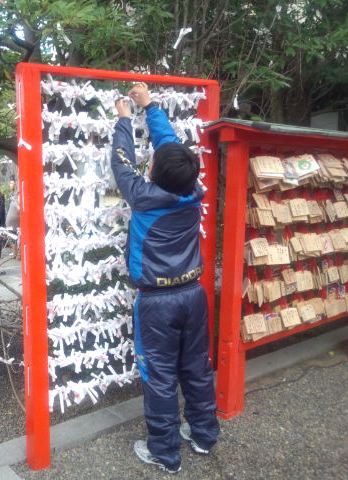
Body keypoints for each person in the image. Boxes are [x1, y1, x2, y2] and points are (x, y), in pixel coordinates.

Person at [112, 83, 219, 474]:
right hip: (193, 294)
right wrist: (150, 107)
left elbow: (122, 161)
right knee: (196, 367)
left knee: (158, 376)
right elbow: (174, 150)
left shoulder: (143, 196)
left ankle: (165, 451)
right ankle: (204, 434)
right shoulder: (195, 189)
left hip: (157, 302)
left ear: (155, 170)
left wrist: (125, 120)